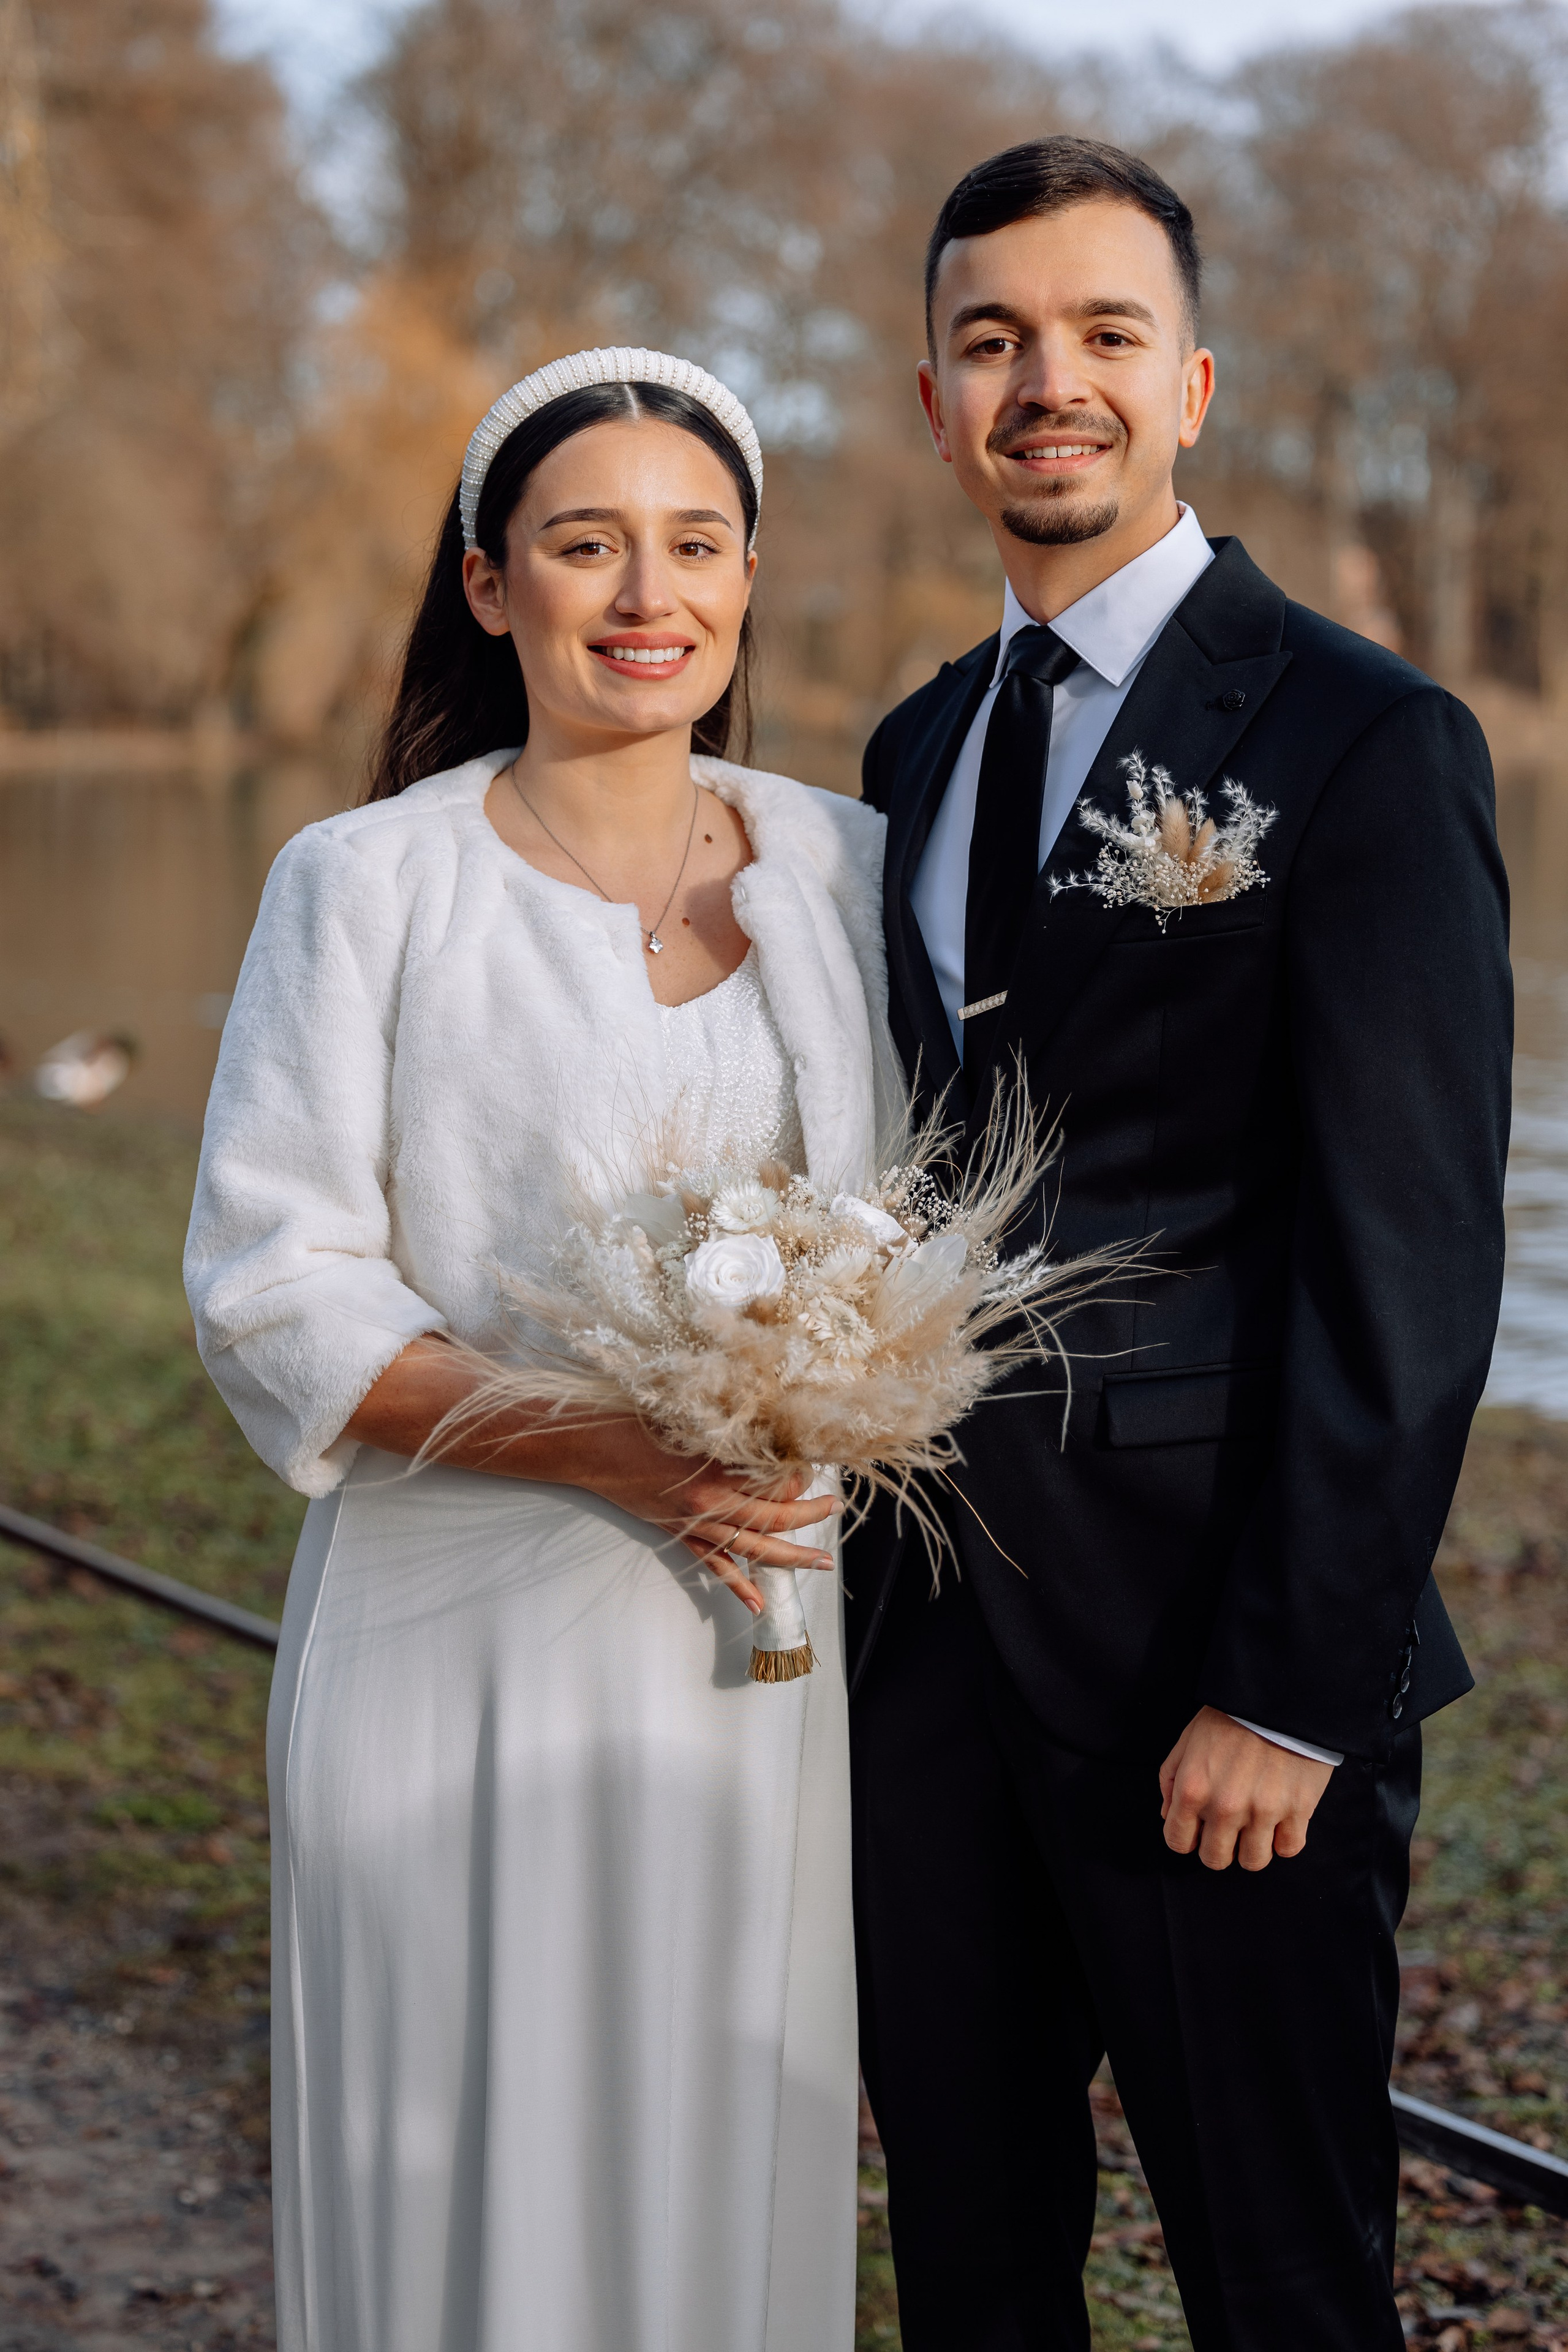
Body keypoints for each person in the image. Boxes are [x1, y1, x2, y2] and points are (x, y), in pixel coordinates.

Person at [848, 138, 1511, 2351]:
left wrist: (1295, 1695)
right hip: (933, 1670)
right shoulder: (919, 749)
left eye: (1104, 334)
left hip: (1215, 1684)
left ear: (1193, 382)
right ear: (937, 402)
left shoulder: (1366, 740)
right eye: (995, 340)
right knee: (974, 2272)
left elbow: (1404, 1267)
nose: (1052, 381)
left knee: (1284, 2288)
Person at [184, 347, 900, 2352]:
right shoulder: (367, 884)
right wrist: (604, 1444)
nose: (645, 593)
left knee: (713, 2148)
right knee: (459, 2163)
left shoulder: (845, 870)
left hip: (754, 1644)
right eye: (587, 545)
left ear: (752, 578)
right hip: (450, 1636)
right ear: (493, 585)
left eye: (695, 544)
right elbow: (272, 1282)